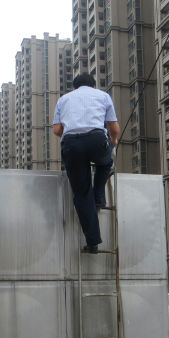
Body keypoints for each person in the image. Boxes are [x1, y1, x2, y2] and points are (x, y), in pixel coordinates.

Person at [53, 73, 120, 254]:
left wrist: (72, 134)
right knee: (106, 162)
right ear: (93, 85)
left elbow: (57, 130)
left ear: (74, 87)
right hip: (96, 140)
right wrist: (113, 142)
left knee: (82, 194)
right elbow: (113, 127)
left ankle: (92, 243)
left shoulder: (63, 100)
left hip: (71, 145)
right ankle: (99, 196)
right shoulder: (103, 96)